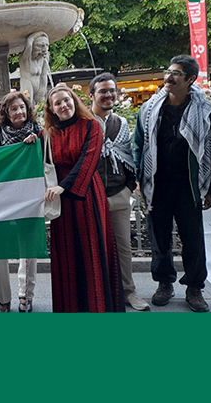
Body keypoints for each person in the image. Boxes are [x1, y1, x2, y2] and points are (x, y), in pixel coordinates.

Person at [134, 55, 211, 312]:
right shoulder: (149, 109)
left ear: (190, 79)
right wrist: (138, 176)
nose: (169, 77)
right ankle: (164, 283)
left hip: (189, 184)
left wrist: (210, 189)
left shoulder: (205, 111)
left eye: (176, 73)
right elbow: (139, 144)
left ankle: (194, 287)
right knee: (159, 237)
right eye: (168, 71)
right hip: (157, 183)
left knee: (193, 238)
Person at [40, 85, 123, 312]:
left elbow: (89, 158)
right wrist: (29, 142)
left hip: (86, 195)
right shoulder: (46, 134)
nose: (63, 105)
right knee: (66, 254)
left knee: (91, 251)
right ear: (51, 109)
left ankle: (97, 307)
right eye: (57, 103)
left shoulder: (91, 126)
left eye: (66, 100)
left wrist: (63, 187)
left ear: (74, 101)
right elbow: (30, 158)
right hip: (61, 201)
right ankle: (70, 308)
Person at [88, 73, 150, 312]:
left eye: (112, 91)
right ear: (92, 95)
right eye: (103, 91)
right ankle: (100, 292)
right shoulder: (84, 123)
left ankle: (129, 291)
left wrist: (127, 188)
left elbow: (129, 157)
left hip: (117, 195)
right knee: (94, 246)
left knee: (124, 246)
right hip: (91, 198)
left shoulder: (121, 124)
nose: (109, 95)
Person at [0, 92, 42, 313]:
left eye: (22, 107)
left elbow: (47, 158)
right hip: (0, 199)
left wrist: (34, 146)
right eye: (13, 109)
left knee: (27, 249)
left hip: (28, 198)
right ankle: (3, 299)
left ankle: (25, 296)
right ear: (5, 113)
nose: (19, 112)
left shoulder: (38, 131)